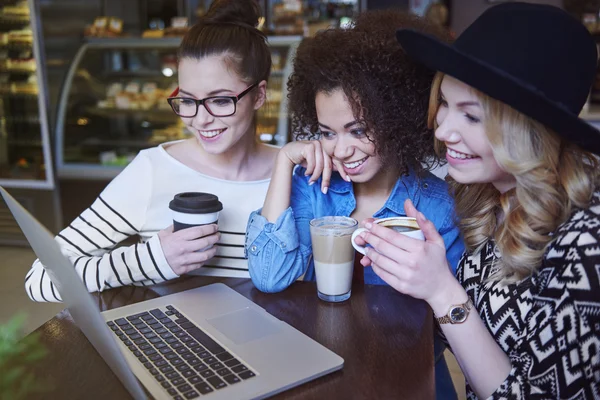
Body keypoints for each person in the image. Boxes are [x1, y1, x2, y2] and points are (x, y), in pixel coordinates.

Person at [357, 2, 600, 398]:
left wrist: (442, 291)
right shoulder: (489, 201)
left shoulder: (586, 244)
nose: (443, 130)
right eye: (446, 105)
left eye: (471, 117)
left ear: (527, 132)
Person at [245, 11, 464, 399]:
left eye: (358, 130)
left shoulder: (437, 207)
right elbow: (268, 275)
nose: (342, 150)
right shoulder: (314, 188)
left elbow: (446, 332)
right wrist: (283, 163)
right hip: (321, 375)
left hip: (409, 383)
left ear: (398, 119)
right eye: (328, 132)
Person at [24, 0, 278, 302]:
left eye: (220, 100)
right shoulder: (153, 171)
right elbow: (40, 279)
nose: (200, 119)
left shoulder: (296, 172)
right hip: (179, 347)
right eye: (187, 101)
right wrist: (150, 260)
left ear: (259, 95)